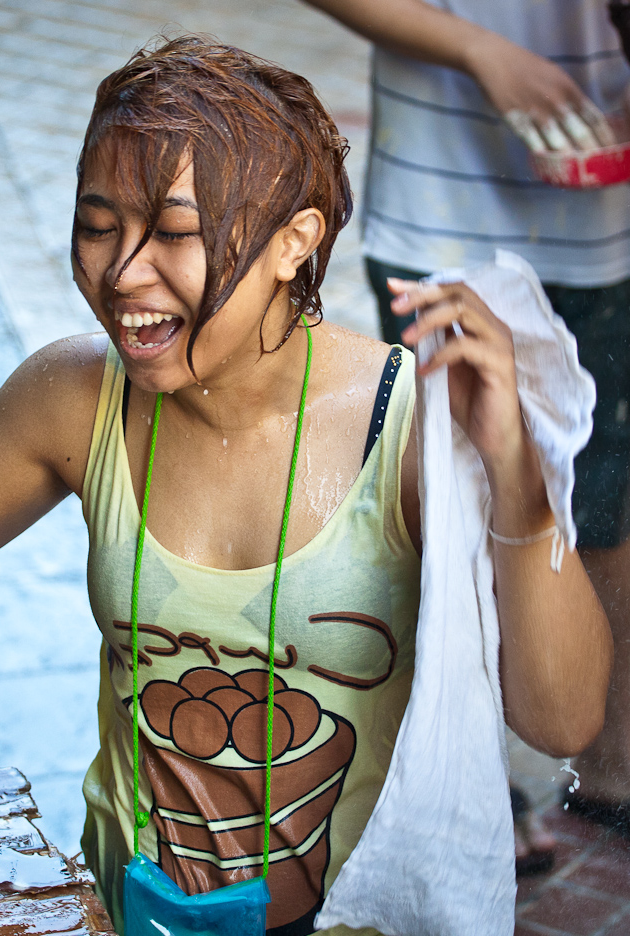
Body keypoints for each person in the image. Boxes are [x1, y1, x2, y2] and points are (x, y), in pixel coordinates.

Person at [0, 38, 611, 936]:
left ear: (294, 240)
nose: (124, 273)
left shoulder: (407, 428)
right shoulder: (75, 396)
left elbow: (561, 720)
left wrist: (517, 483)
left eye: (174, 233)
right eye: (99, 226)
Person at [302, 0, 630, 853]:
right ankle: (471, 782)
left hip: (602, 208)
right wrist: (480, 50)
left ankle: (608, 768)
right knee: (446, 512)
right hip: (439, 207)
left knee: (601, 505)